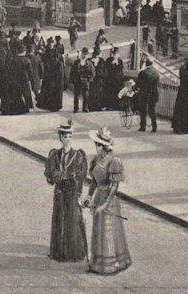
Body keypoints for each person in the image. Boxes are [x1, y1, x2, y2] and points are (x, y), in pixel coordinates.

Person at [81, 127, 131, 275]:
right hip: (98, 197)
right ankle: (97, 264)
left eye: (98, 145)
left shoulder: (114, 161)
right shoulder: (96, 160)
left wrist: (105, 204)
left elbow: (114, 186)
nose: (96, 148)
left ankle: (112, 264)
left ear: (104, 147)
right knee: (98, 230)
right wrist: (89, 197)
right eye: (95, 145)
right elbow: (95, 182)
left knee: (108, 230)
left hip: (109, 199)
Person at [44, 120, 88, 262]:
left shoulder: (78, 155)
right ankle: (59, 252)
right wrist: (56, 176)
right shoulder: (54, 154)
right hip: (59, 191)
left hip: (72, 190)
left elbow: (80, 175)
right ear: (60, 138)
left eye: (69, 137)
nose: (67, 140)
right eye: (65, 137)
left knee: (72, 219)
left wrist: (79, 193)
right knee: (59, 218)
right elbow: (49, 172)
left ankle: (73, 252)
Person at [37, 44, 67, 112]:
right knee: (57, 94)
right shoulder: (60, 63)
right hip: (58, 82)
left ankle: (50, 106)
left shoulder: (49, 62)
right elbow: (62, 74)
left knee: (51, 94)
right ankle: (57, 106)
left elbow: (46, 73)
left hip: (50, 81)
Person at [135, 59, 159, 133]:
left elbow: (139, 84)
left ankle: (143, 127)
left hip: (145, 93)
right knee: (152, 110)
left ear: (145, 64)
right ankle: (154, 127)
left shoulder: (143, 73)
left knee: (143, 110)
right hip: (154, 93)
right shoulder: (156, 72)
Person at [71, 50, 95, 114]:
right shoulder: (76, 62)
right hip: (77, 81)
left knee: (86, 95)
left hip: (85, 81)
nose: (84, 55)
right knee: (76, 95)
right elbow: (72, 71)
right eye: (83, 54)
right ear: (81, 54)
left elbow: (93, 72)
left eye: (85, 54)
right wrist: (74, 80)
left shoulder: (89, 63)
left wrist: (89, 80)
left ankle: (85, 108)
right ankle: (76, 108)